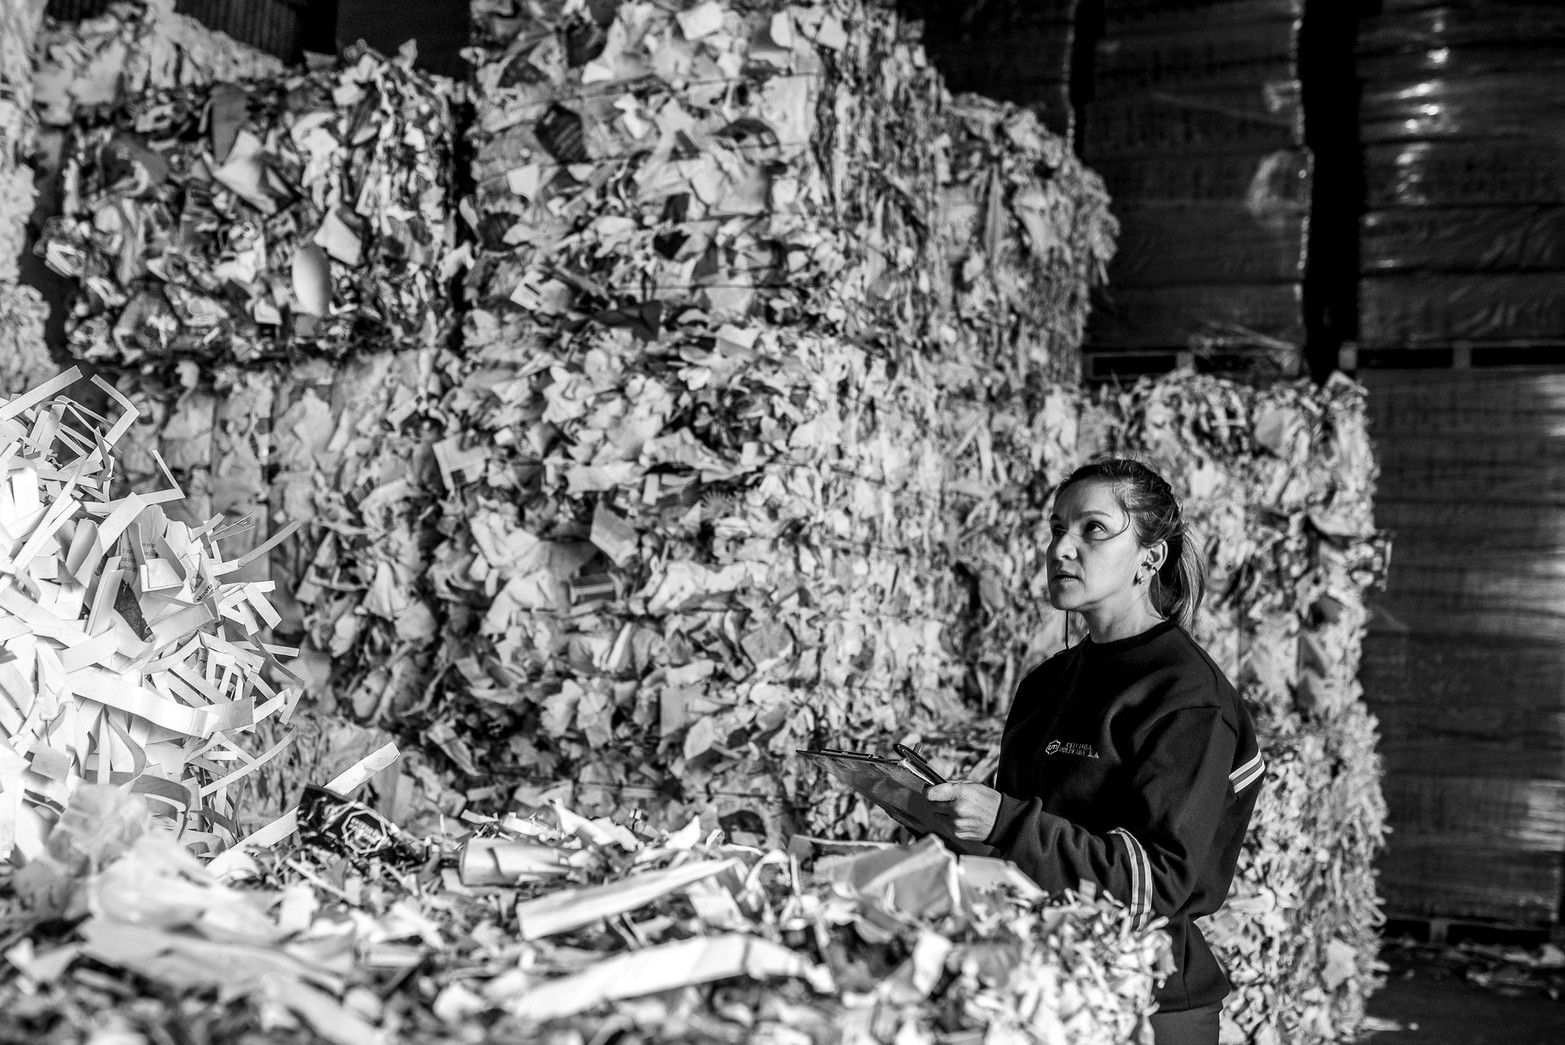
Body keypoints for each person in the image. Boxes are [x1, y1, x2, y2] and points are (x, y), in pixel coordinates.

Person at [926, 458, 1262, 1045]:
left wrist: (1003, 821)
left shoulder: (1186, 698)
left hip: (1144, 1005)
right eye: (1057, 528)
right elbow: (1033, 839)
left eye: (1094, 530)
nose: (1061, 549)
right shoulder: (1046, 683)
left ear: (1151, 557)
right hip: (1041, 984)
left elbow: (1155, 885)